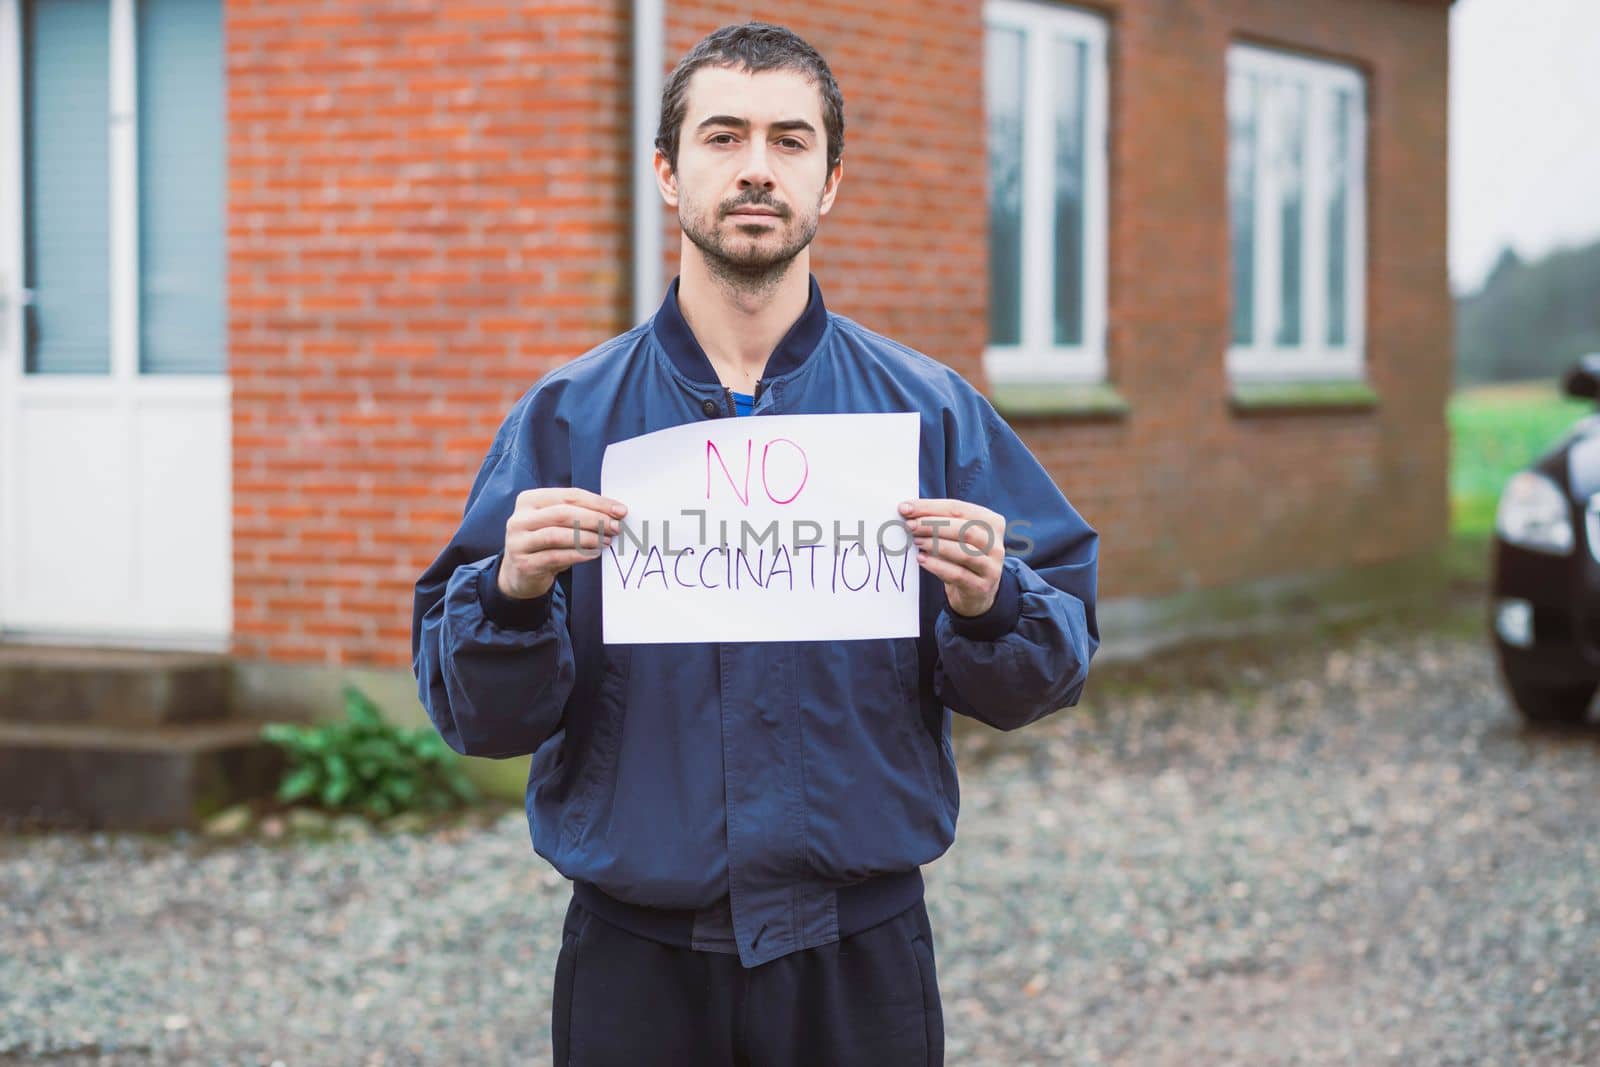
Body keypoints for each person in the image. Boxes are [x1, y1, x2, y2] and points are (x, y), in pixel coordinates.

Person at [411, 21, 1100, 1067]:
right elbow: (477, 716)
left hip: (858, 960)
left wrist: (992, 599)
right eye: (722, 136)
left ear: (829, 181)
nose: (754, 169)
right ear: (666, 170)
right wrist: (507, 594)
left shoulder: (929, 416)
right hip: (635, 967)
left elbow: (1045, 674)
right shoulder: (567, 419)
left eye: (788, 141)